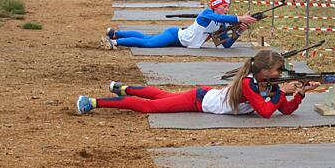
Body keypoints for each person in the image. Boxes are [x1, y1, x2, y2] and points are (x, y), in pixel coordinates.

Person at [76, 49, 317, 118]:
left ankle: (121, 87)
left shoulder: (268, 85)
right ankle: (94, 102)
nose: (281, 73)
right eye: (278, 70)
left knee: (160, 96)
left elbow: (283, 110)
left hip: (202, 98)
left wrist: (299, 95)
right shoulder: (248, 83)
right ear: (265, 71)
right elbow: (266, 112)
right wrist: (280, 92)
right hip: (199, 100)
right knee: (151, 106)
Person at [101, 0, 257, 49]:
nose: (226, 9)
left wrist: (238, 32)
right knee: (149, 44)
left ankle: (116, 34)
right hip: (176, 36)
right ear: (216, 7)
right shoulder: (207, 14)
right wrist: (238, 18)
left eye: (228, 6)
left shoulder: (221, 23)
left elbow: (225, 44)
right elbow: (218, 17)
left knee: (147, 38)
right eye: (224, 6)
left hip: (182, 41)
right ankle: (115, 42)